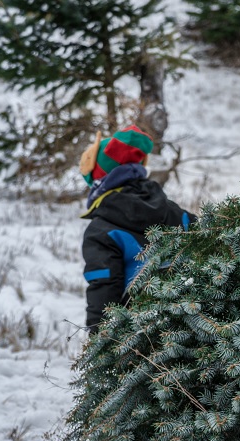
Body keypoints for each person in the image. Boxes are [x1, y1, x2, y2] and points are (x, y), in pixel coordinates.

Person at [79, 125, 191, 328]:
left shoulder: (100, 230)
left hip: (137, 332)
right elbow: (207, 239)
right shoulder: (172, 210)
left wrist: (98, 337)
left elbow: (104, 286)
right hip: (188, 317)